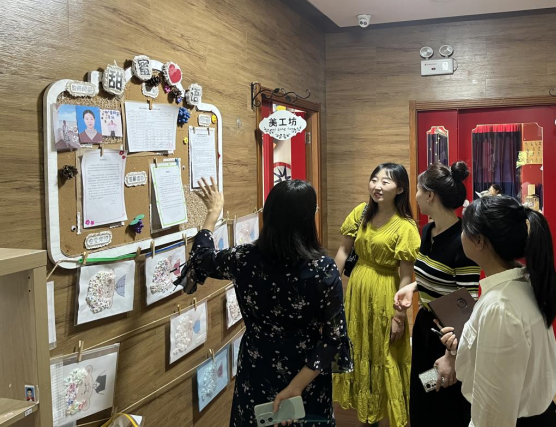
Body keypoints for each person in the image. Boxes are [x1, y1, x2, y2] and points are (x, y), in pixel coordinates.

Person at [176, 178, 352, 427]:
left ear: (268, 216)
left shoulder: (243, 259)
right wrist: (295, 387)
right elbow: (334, 338)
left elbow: (201, 258)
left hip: (257, 368)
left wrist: (213, 213)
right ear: (307, 218)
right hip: (307, 375)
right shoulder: (323, 269)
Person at [440, 195, 556, 426]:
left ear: (479, 241)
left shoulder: (499, 307)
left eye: (465, 228)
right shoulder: (521, 284)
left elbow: (494, 411)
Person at [333, 163, 420, 427]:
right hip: (357, 289)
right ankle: (366, 414)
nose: (377, 186)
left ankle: (382, 414)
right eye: (374, 180)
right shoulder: (361, 212)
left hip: (386, 291)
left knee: (384, 352)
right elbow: (343, 252)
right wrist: (331, 288)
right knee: (359, 344)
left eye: (385, 182)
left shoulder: (405, 226)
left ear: (400, 189)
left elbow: (406, 276)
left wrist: (399, 316)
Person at [393, 162, 480, 426]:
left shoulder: (463, 240)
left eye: (418, 190)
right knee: (423, 395)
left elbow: (468, 306)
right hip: (425, 328)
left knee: (443, 404)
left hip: (449, 337)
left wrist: (452, 356)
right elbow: (432, 274)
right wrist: (413, 286)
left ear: (430, 195)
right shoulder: (427, 231)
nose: (416, 196)